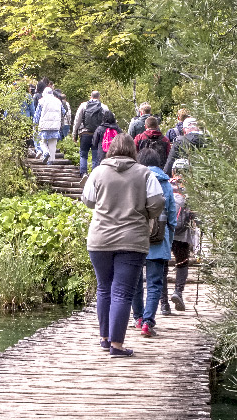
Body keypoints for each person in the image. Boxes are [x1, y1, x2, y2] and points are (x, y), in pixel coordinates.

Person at [81, 132, 164, 356]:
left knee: (104, 288)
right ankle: (117, 346)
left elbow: (87, 200)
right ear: (132, 151)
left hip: (99, 239)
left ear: (110, 149)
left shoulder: (98, 172)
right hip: (132, 239)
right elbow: (157, 203)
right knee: (122, 292)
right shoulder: (144, 174)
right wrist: (144, 211)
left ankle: (104, 338)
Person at [133, 146, 176, 336]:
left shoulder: (135, 181)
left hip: (135, 238)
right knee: (155, 283)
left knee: (135, 282)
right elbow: (172, 217)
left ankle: (138, 317)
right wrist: (169, 239)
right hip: (159, 240)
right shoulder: (166, 184)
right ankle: (148, 322)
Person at [167, 159, 198, 312]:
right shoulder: (189, 189)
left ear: (173, 171)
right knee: (182, 263)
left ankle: (163, 304)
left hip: (165, 231)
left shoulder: (165, 184)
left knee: (161, 265)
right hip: (183, 233)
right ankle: (178, 291)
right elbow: (196, 213)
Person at [74, 90, 112, 174]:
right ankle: (94, 176)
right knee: (95, 157)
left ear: (90, 97)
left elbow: (77, 121)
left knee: (83, 155)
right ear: (99, 97)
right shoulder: (104, 107)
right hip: (97, 134)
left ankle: (83, 173)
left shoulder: (83, 105)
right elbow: (108, 121)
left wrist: (75, 134)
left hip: (85, 134)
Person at [33, 84, 66, 163]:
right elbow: (64, 112)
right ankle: (51, 162)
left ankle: (45, 152)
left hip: (44, 126)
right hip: (55, 126)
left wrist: (35, 124)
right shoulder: (58, 101)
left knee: (42, 141)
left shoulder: (42, 101)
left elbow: (37, 115)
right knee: (52, 144)